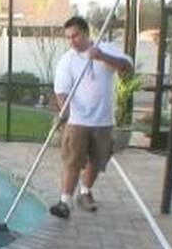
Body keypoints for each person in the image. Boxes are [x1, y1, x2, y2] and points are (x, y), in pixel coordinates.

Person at [49, 16, 133, 219]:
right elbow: (61, 91)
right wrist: (64, 109)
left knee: (97, 161)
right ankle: (65, 203)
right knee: (72, 162)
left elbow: (127, 68)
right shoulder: (67, 60)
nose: (72, 41)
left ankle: (85, 192)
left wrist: (102, 56)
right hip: (78, 121)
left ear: (86, 33)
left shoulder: (106, 48)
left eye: (75, 35)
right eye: (68, 37)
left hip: (103, 121)